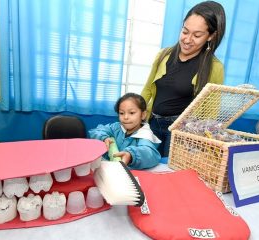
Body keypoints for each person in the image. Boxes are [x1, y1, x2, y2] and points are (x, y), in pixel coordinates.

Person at [141, 1, 226, 157]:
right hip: (152, 123)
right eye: (185, 31)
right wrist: (136, 117)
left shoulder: (215, 67)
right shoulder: (163, 55)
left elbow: (211, 114)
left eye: (197, 35)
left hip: (180, 133)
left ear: (211, 36)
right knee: (143, 166)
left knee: (169, 174)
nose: (187, 39)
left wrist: (202, 143)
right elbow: (147, 90)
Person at [89, 93, 161, 170]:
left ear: (143, 115)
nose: (126, 117)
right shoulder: (116, 127)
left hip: (130, 173)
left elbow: (149, 153)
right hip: (108, 167)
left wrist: (131, 155)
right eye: (122, 113)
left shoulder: (145, 135)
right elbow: (97, 131)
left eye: (132, 113)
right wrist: (104, 138)